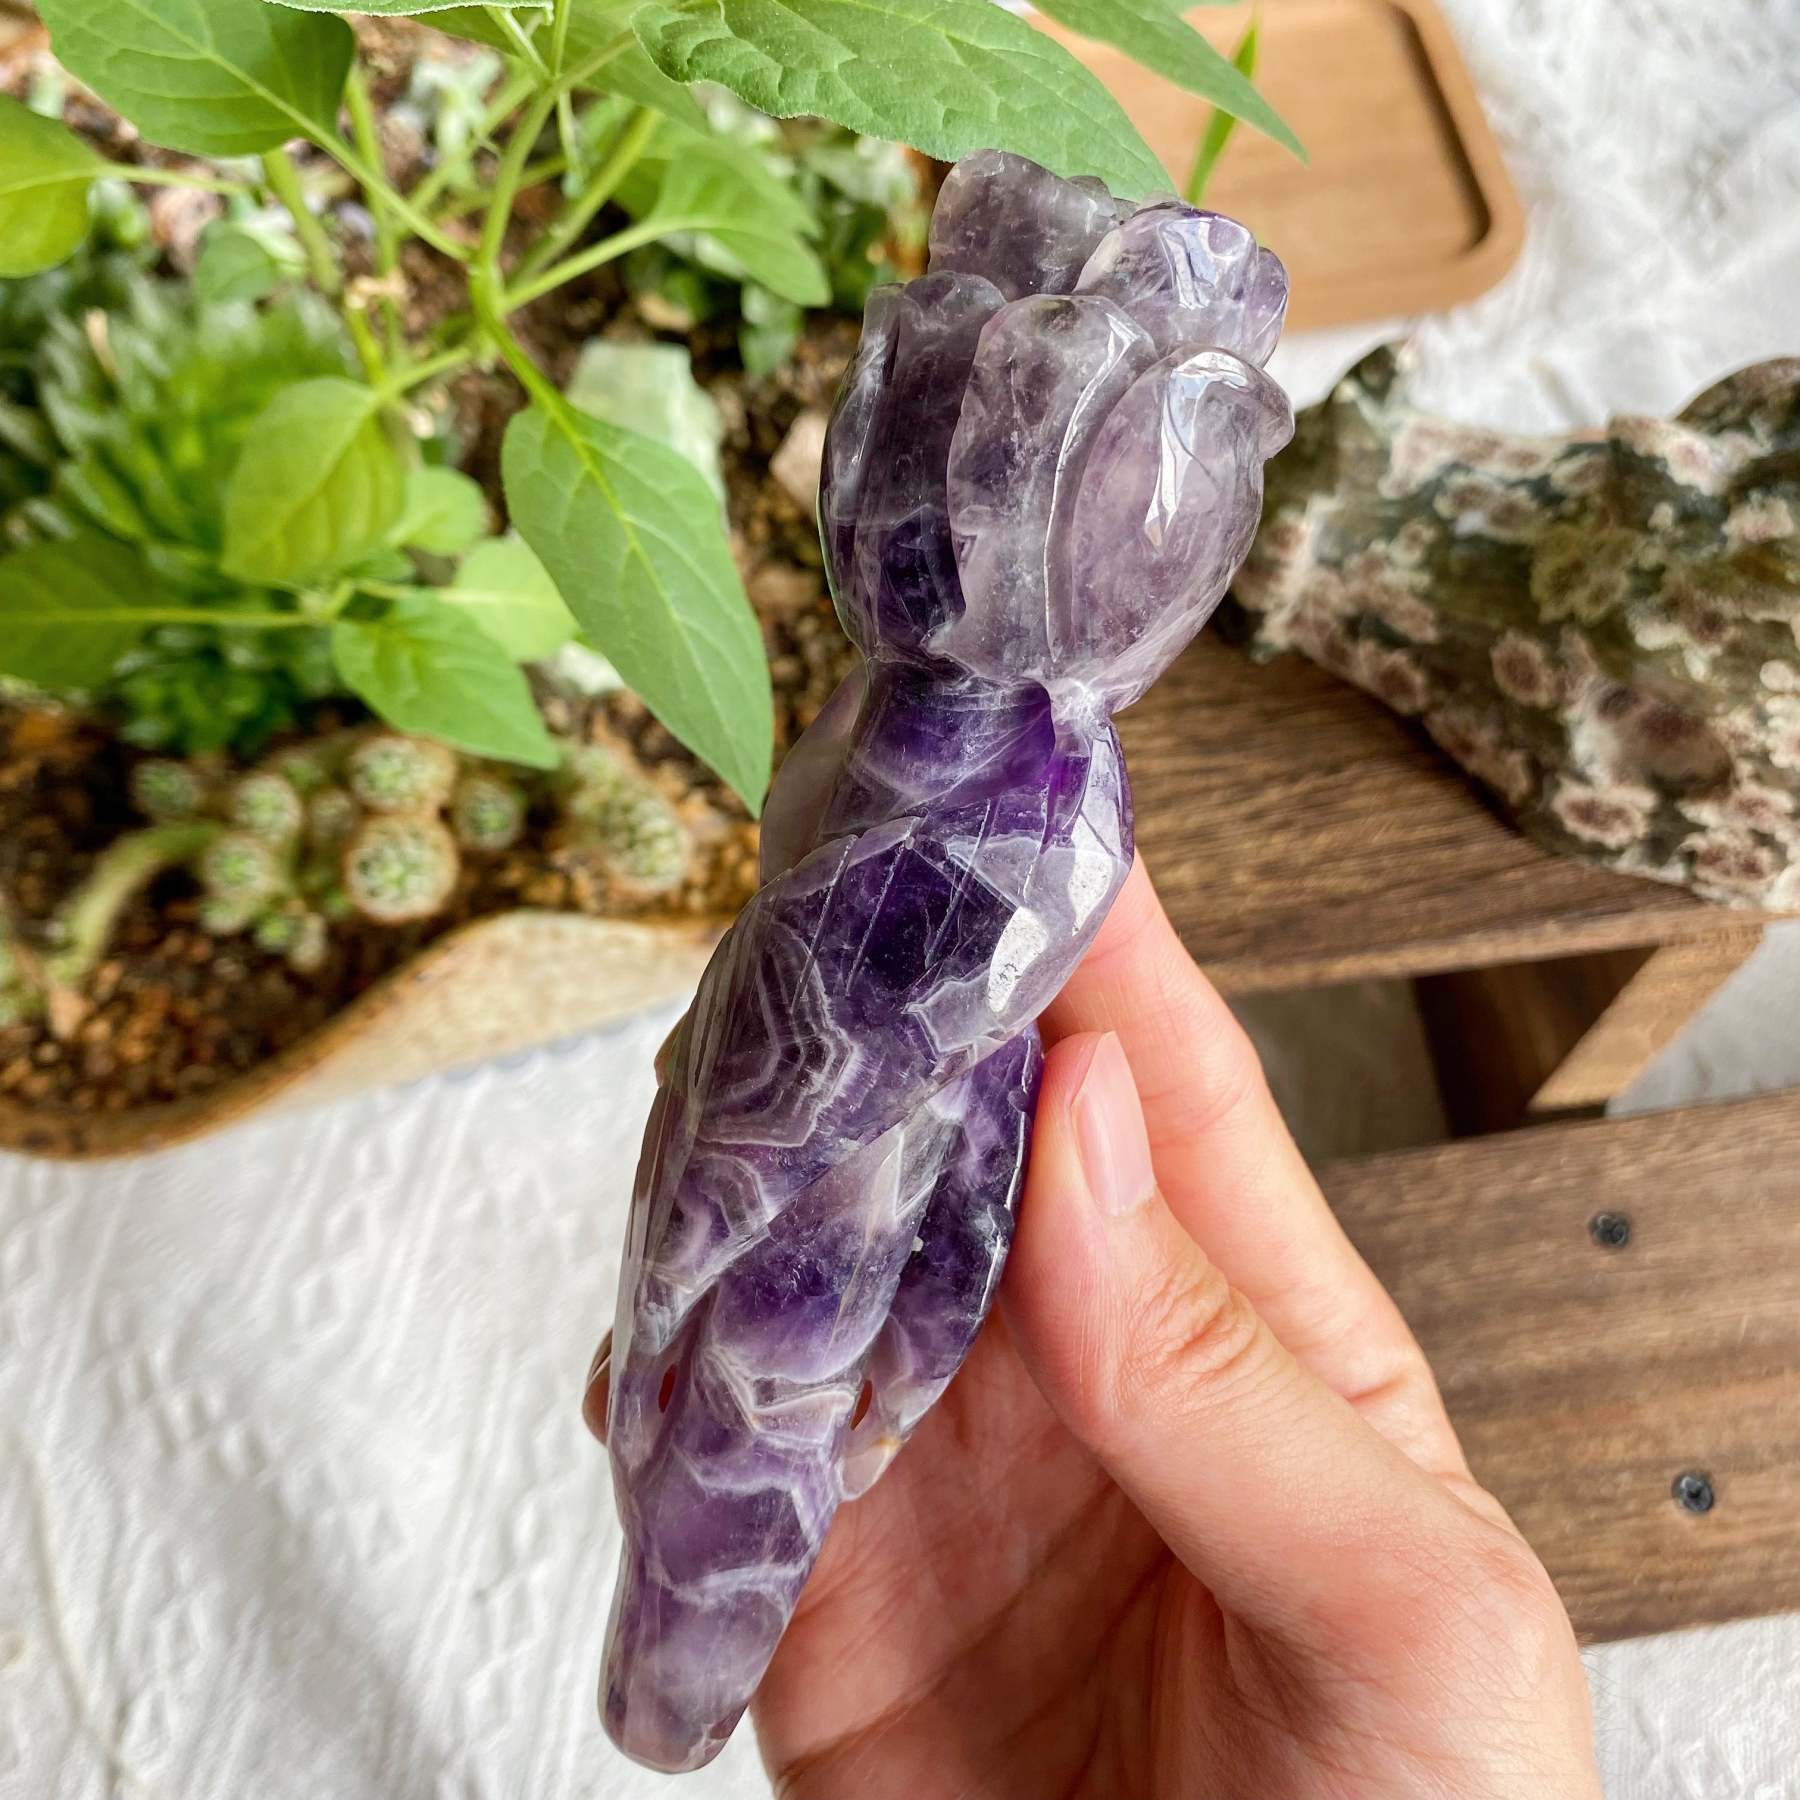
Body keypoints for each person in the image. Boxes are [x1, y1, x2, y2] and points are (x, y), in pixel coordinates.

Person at [584, 859, 1604, 1797]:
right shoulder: (887, 924)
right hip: (779, 1281)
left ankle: (668, 1695)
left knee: (723, 1436)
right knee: (709, 1436)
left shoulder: (990, 975)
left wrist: (894, 1390)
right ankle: (668, 1691)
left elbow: (960, 1234)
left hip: (806, 1303)